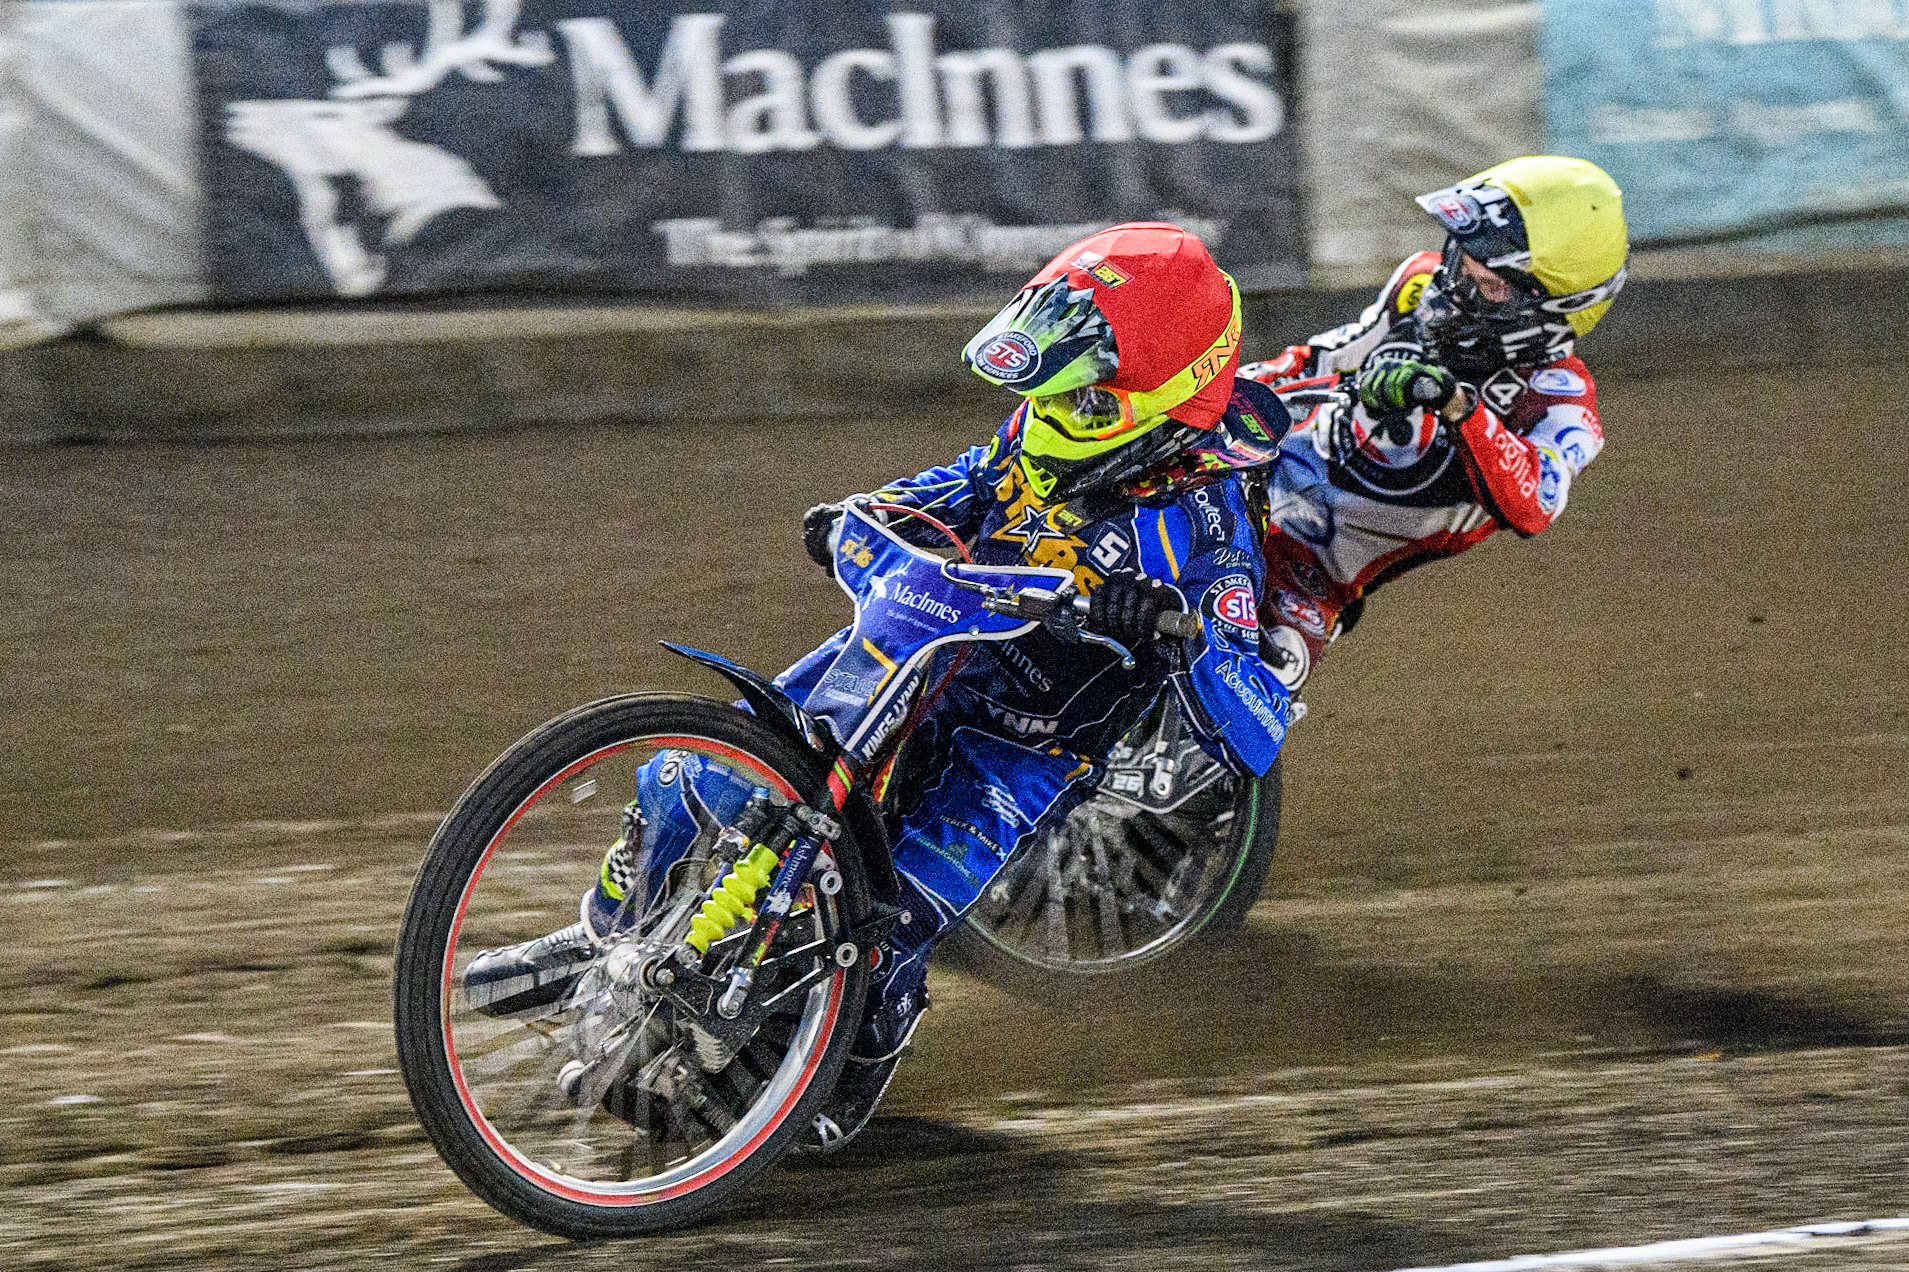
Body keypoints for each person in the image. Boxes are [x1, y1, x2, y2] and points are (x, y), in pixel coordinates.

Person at [462, 223, 1302, 1149]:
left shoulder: (1210, 519)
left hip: (1019, 743)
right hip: (932, 641)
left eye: (1091, 404)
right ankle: (604, 933)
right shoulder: (1051, 419)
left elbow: (1253, 721)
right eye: (1055, 395)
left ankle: (842, 1078)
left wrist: (1177, 636)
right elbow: (969, 483)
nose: (1062, 415)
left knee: (894, 919)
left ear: (1168, 405)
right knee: (686, 777)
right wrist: (872, 509)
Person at [1238, 155, 1626, 692]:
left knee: (1261, 686)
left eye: (1489, 286)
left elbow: (1535, 501)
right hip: (1245, 473)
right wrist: (1216, 393)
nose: (1456, 286)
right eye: (1462, 261)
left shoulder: (1561, 401)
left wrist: (1455, 405)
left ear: (1556, 308)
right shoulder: (1420, 285)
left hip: (1312, 573)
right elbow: (1319, 359)